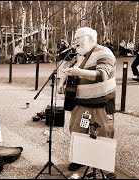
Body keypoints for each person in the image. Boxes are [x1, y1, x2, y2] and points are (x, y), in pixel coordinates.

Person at [57, 27, 116, 171]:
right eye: (75, 38)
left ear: (91, 38)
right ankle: (79, 159)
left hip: (100, 103)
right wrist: (61, 82)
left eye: (78, 38)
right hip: (81, 102)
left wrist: (79, 72)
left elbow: (102, 74)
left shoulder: (104, 52)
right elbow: (67, 68)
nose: (75, 41)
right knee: (77, 130)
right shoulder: (80, 54)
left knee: (102, 133)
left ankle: (101, 164)